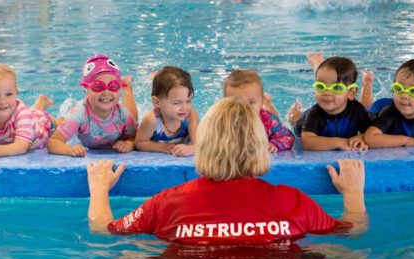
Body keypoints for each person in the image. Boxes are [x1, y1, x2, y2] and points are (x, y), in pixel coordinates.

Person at [87, 96, 367, 244]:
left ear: (204, 144)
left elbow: (104, 232)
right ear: (260, 145)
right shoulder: (293, 202)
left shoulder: (167, 203)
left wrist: (99, 189)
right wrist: (353, 193)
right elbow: (352, 232)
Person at [47, 54, 138, 157]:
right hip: (74, 119)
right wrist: (69, 149)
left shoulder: (123, 114)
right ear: (86, 89)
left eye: (113, 86)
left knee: (133, 119)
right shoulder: (79, 114)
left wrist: (129, 143)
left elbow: (136, 138)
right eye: (98, 86)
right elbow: (53, 142)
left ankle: (127, 86)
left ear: (119, 88)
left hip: (122, 118)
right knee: (61, 123)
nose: (106, 92)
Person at [288, 52, 374, 137]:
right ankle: (294, 113)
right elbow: (308, 142)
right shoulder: (314, 113)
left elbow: (369, 133)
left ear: (351, 93)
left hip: (346, 102)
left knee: (366, 111)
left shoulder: (357, 110)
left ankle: (367, 83)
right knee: (295, 120)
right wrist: (342, 143)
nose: (327, 93)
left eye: (337, 88)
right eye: (320, 86)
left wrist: (361, 137)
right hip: (305, 125)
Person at [0, 63, 55, 158]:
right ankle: (41, 102)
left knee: (49, 121)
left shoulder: (22, 113)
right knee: (34, 112)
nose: (2, 101)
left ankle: (55, 116)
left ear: (16, 93)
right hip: (30, 117)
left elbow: (22, 146)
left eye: (8, 94)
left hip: (40, 127)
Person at [223, 69, 295, 153]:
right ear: (224, 103)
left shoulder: (267, 120)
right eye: (235, 103)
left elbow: (287, 137)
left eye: (251, 102)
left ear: (261, 101)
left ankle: (269, 104)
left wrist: (275, 144)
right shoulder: (221, 120)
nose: (244, 108)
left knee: (274, 116)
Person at [364, 58, 414, 148]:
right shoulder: (391, 113)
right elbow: (370, 138)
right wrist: (405, 140)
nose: (404, 95)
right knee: (363, 111)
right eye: (398, 88)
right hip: (377, 109)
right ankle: (367, 83)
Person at [134, 66, 199, 157]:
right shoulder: (151, 120)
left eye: (188, 101)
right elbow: (139, 143)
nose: (184, 108)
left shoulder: (190, 115)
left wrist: (192, 149)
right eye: (177, 103)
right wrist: (163, 147)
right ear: (157, 102)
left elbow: (199, 143)